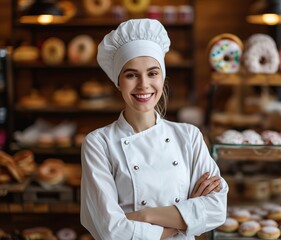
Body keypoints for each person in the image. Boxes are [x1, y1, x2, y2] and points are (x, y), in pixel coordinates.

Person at [80, 18, 228, 240]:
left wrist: (143, 215)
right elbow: (110, 230)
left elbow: (216, 209)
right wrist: (184, 221)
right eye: (131, 75)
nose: (143, 85)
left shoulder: (189, 136)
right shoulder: (98, 143)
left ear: (163, 76)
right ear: (118, 81)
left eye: (152, 73)